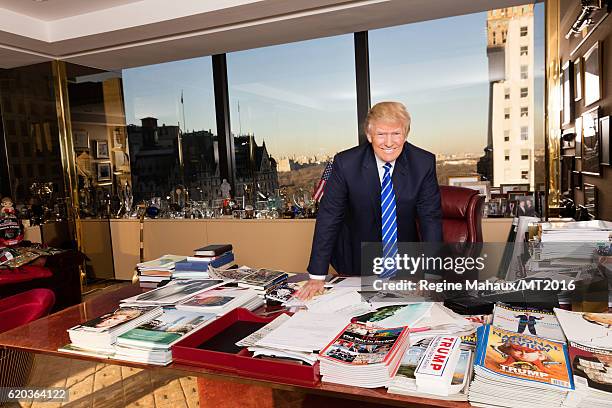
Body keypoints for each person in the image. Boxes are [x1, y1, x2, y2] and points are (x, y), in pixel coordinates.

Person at [297, 102, 442, 300]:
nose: (389, 143)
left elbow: (430, 219)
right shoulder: (346, 164)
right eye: (381, 134)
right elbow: (329, 217)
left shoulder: (423, 163)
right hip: (355, 262)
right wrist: (316, 275)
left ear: (406, 134)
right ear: (369, 135)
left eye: (396, 134)